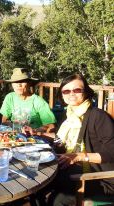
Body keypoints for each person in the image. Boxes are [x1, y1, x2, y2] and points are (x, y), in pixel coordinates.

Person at [40, 74, 114, 205]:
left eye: (77, 90)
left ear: (86, 91)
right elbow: (60, 140)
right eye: (66, 91)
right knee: (38, 185)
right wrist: (38, 134)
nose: (71, 94)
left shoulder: (98, 117)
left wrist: (79, 156)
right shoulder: (69, 114)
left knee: (57, 200)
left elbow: (111, 154)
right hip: (74, 169)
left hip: (98, 178)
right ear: (62, 94)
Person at [0, 68, 56, 132]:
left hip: (34, 138)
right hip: (14, 136)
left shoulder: (38, 101)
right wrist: (13, 128)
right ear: (12, 84)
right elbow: (4, 121)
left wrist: (34, 131)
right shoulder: (10, 97)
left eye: (22, 81)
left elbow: (51, 126)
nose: (19, 85)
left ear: (29, 83)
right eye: (15, 82)